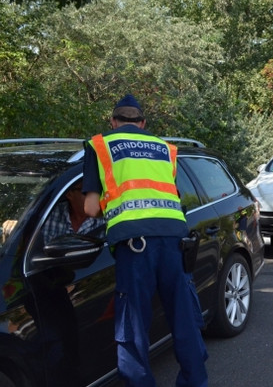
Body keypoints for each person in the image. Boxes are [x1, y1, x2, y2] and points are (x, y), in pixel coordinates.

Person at [82, 94, 208, 387]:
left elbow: (89, 209)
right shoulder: (166, 148)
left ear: (113, 122)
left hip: (134, 246)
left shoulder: (100, 145)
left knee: (134, 327)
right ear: (143, 123)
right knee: (184, 318)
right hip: (174, 241)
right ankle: (195, 382)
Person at [42, 180, 105, 244]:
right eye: (86, 192)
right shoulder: (49, 214)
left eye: (96, 191)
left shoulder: (105, 218)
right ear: (69, 194)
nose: (93, 197)